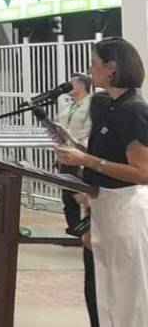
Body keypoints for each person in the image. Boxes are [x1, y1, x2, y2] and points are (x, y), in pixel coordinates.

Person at [57, 37, 148, 327]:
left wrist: (88, 162)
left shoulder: (133, 110)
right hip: (103, 209)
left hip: (125, 212)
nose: (89, 70)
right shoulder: (107, 106)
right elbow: (105, 157)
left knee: (127, 300)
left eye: (94, 64)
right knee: (105, 296)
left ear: (112, 68)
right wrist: (74, 149)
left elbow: (142, 172)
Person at [56, 73, 96, 229]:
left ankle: (87, 228)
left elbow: (90, 130)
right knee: (68, 194)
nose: (68, 86)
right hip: (66, 155)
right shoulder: (68, 105)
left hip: (82, 155)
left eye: (71, 83)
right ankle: (73, 228)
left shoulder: (92, 105)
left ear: (81, 86)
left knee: (83, 194)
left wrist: (79, 146)